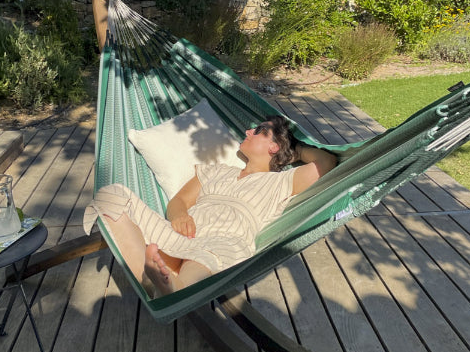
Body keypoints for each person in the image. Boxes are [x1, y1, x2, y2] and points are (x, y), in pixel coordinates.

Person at [83, 115, 338, 297]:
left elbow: (326, 163)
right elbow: (179, 201)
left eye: (259, 130)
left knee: (206, 255)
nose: (248, 131)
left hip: (224, 242)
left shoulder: (281, 182)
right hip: (182, 234)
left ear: (274, 146)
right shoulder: (217, 171)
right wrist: (179, 215)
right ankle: (158, 282)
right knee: (113, 195)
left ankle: (175, 288)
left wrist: (296, 150)